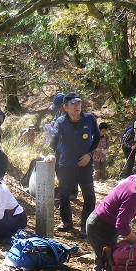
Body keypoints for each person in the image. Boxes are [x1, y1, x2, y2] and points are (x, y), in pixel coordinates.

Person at [47, 91, 100, 237]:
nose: (77, 106)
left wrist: (89, 154)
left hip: (85, 164)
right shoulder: (61, 121)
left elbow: (96, 138)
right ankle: (66, 221)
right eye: (73, 104)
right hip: (66, 164)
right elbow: (54, 139)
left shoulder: (89, 119)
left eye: (79, 103)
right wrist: (51, 153)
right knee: (64, 194)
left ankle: (86, 225)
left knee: (89, 195)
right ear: (66, 107)